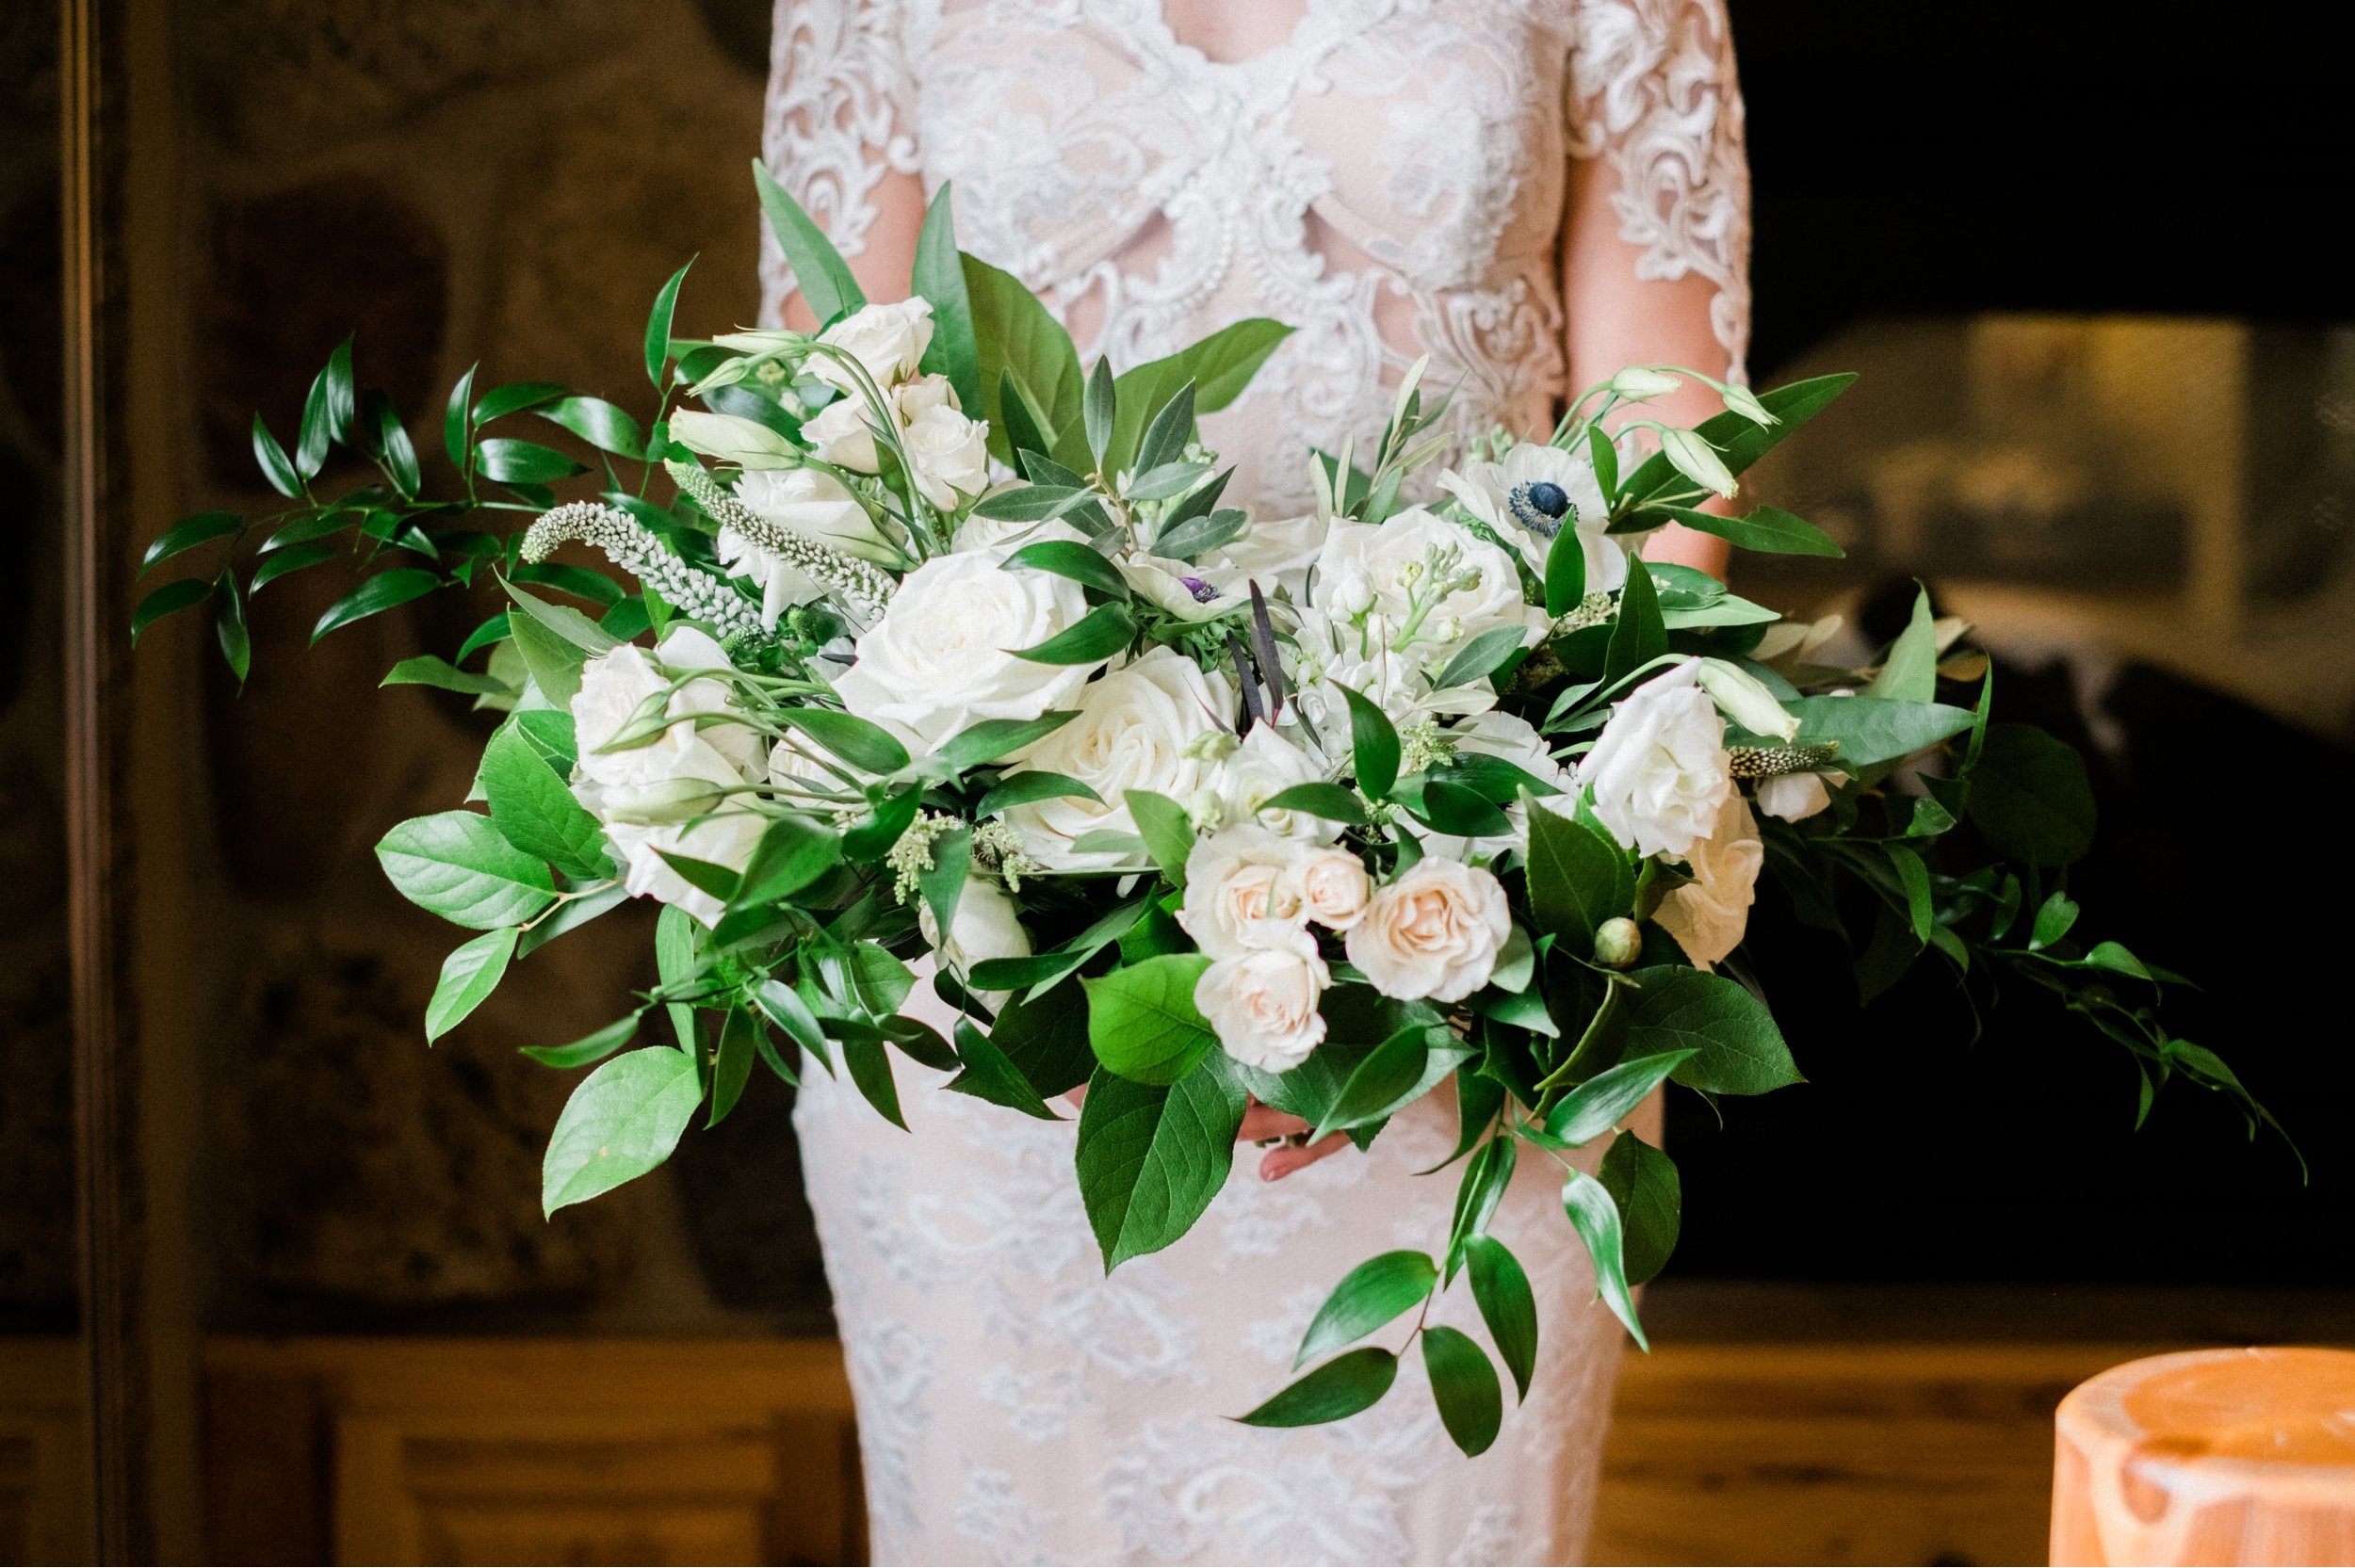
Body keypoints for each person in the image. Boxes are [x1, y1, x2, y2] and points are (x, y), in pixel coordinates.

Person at [760, 3, 1747, 1560]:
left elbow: (1665, 453)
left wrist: (1465, 921)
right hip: (995, 1010)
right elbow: (827, 445)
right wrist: (1015, 944)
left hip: (1462, 961)